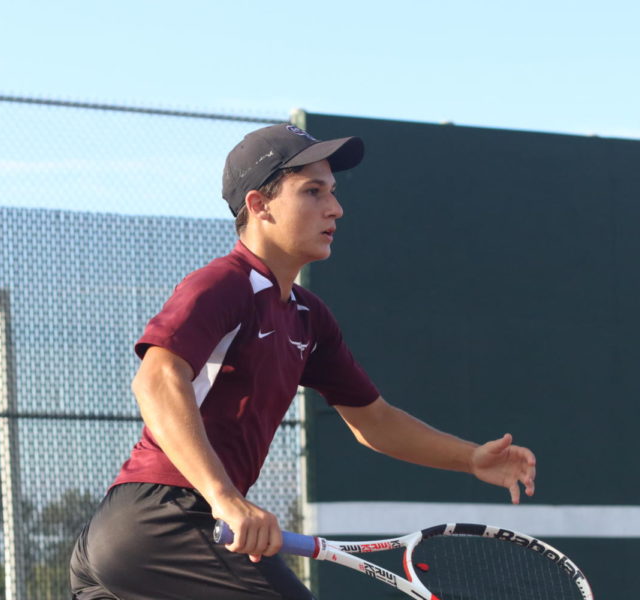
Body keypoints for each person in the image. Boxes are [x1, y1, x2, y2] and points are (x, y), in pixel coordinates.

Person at [69, 123, 537, 600]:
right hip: (162, 520)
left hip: (128, 542)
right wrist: (226, 499)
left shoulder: (308, 318)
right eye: (312, 192)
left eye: (332, 192)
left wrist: (471, 458)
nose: (335, 208)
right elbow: (156, 379)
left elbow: (374, 420)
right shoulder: (222, 285)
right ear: (259, 205)